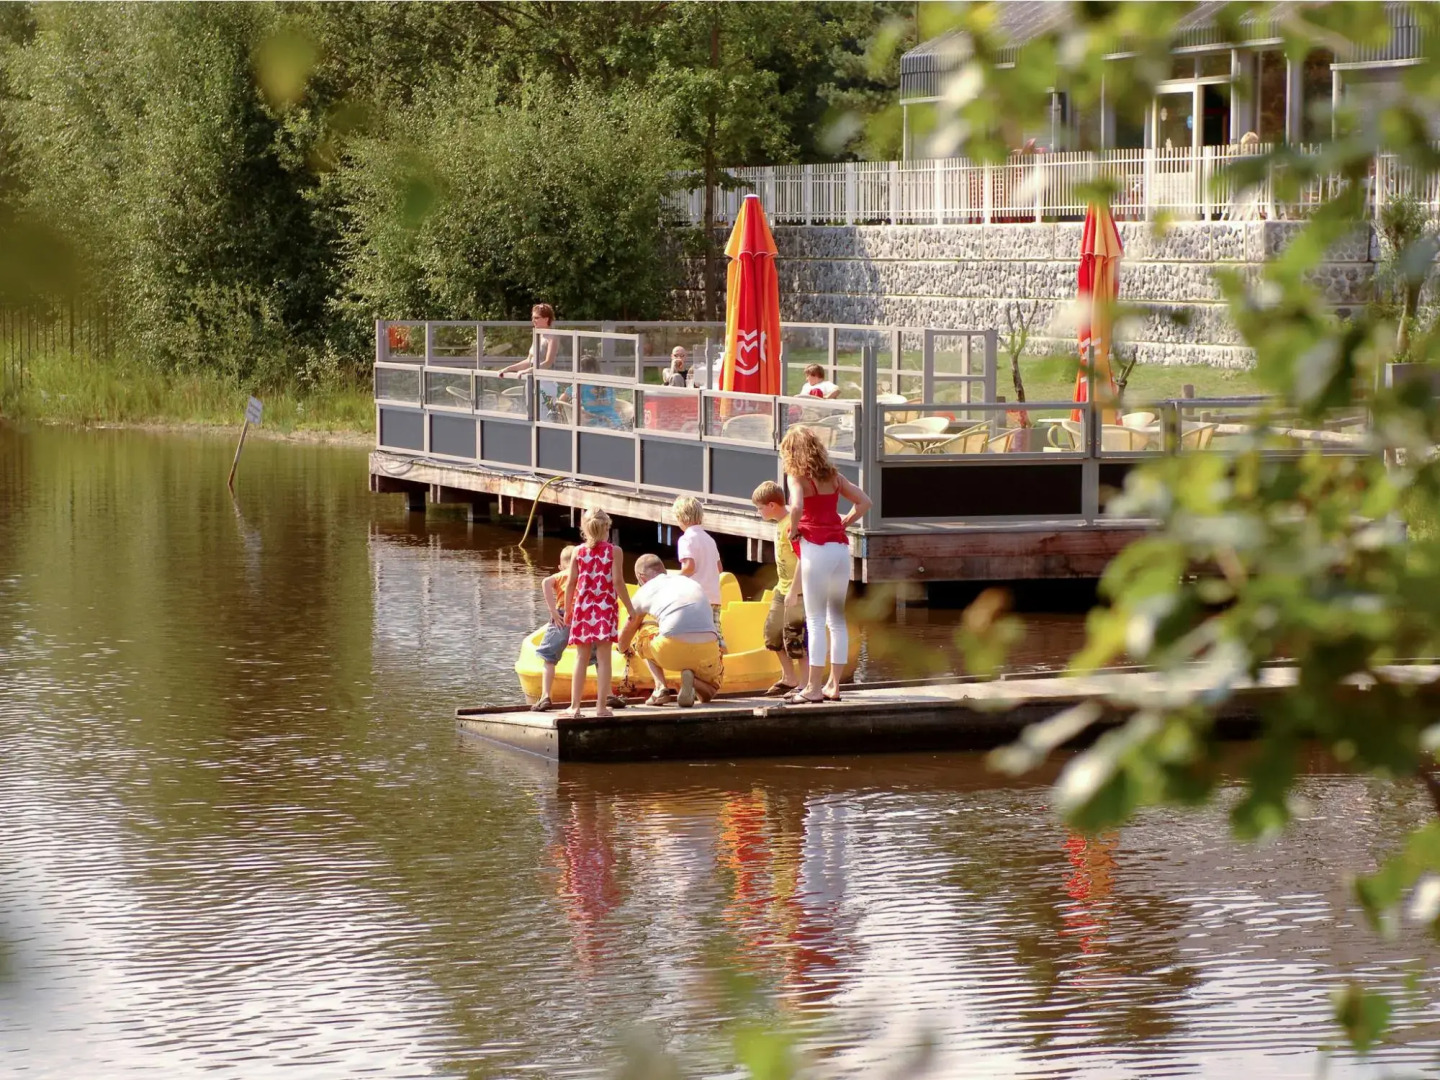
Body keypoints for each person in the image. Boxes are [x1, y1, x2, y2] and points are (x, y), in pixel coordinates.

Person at [779, 426, 872, 704]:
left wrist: (794, 529)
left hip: (815, 550)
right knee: (837, 620)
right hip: (840, 550)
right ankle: (834, 685)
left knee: (816, 621)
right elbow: (865, 502)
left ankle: (813, 688)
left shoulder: (796, 477)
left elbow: (796, 507)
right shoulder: (834, 477)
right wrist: (844, 522)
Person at [618, 554, 723, 708]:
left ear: (641, 577)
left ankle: (660, 688)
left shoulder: (645, 590)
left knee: (643, 628)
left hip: (671, 649)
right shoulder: (689, 582)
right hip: (708, 647)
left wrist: (622, 649)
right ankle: (692, 681)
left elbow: (624, 639)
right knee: (710, 691)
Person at [561, 508, 635, 718]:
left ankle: (574, 707)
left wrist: (567, 609)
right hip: (605, 608)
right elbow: (618, 582)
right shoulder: (614, 551)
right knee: (604, 659)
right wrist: (630, 608)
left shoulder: (578, 552)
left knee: (581, 657)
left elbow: (570, 583)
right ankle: (601, 707)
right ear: (606, 528)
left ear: (584, 529)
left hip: (583, 608)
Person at [751, 481, 808, 696]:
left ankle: (804, 684)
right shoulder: (779, 524)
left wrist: (794, 590)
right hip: (781, 588)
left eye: (760, 508)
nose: (758, 512)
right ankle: (789, 677)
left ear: (772, 505)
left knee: (795, 638)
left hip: (797, 591)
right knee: (772, 634)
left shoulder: (790, 525)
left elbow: (803, 559)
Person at [672, 495, 724, 645]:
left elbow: (689, 567)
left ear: (681, 518)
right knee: (715, 635)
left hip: (695, 598)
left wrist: (673, 578)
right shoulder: (710, 540)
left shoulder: (686, 539)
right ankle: (721, 655)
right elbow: (719, 568)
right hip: (714, 597)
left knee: (693, 635)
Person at [533, 545, 577, 711]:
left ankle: (546, 695)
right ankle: (607, 693)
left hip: (562, 616)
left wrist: (552, 611)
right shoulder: (583, 574)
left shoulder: (562, 574)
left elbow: (545, 582)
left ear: (561, 565)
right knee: (596, 657)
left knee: (549, 658)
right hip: (582, 616)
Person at [499, 303, 559, 376]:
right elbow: (529, 361)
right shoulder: (537, 335)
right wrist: (508, 369)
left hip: (546, 379)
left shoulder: (552, 337)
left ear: (546, 319)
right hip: (533, 378)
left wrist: (529, 370)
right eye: (532, 318)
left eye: (536, 318)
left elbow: (548, 363)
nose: (533, 321)